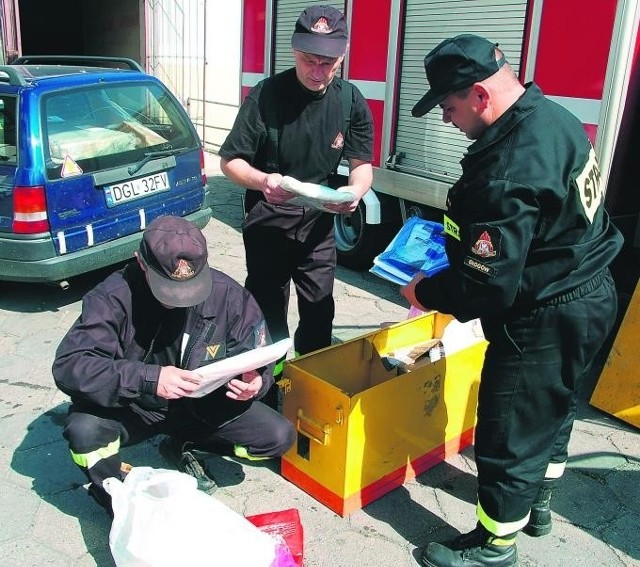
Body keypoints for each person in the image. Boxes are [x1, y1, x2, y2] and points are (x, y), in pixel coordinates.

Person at [401, 34, 623, 567]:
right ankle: (537, 502)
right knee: (555, 405)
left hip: (543, 314)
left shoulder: (505, 170)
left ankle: (495, 544)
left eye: (450, 108)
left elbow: (487, 288)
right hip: (592, 290)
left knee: (509, 427)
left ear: (479, 95)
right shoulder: (556, 118)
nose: (447, 121)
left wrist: (424, 290)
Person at [52, 215, 295, 515]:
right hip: (133, 407)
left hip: (200, 406)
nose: (179, 300)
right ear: (140, 261)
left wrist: (257, 381)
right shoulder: (111, 297)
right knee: (84, 432)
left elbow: (256, 351)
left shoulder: (228, 295)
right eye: (167, 289)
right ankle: (118, 496)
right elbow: (70, 365)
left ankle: (182, 442)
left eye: (190, 288)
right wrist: (149, 379)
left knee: (278, 437)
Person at [218, 5, 374, 398]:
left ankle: (311, 384)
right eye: (309, 60)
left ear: (343, 55)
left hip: (319, 220)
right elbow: (230, 161)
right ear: (293, 50)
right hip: (269, 216)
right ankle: (267, 388)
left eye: (328, 62)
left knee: (320, 307)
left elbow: (362, 166)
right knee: (267, 307)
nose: (318, 71)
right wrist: (262, 180)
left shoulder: (351, 100)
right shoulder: (267, 95)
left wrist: (354, 193)